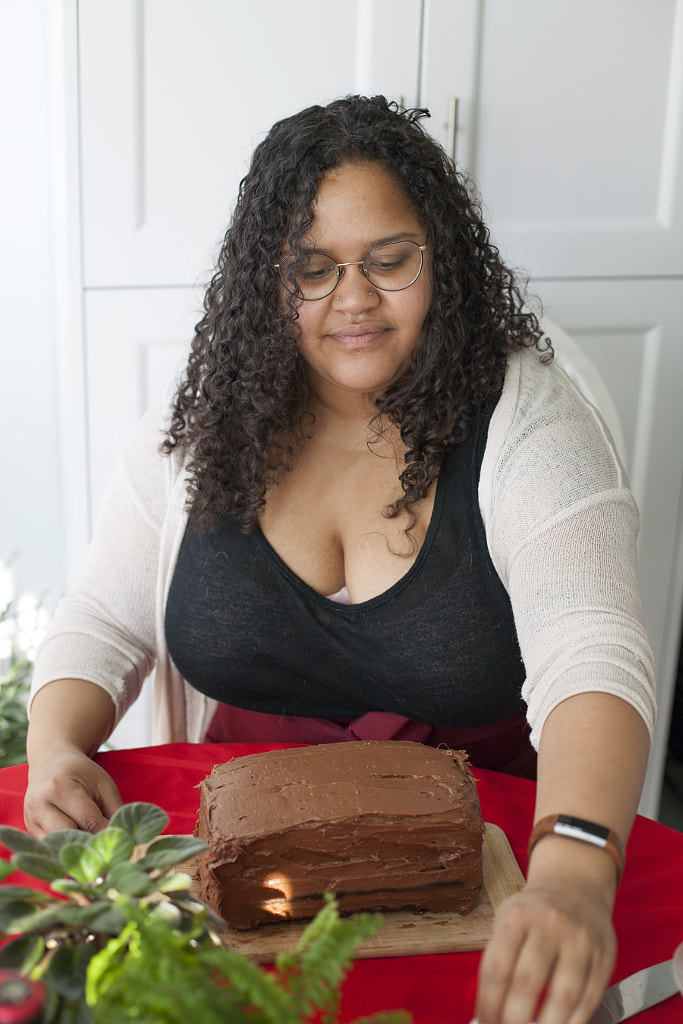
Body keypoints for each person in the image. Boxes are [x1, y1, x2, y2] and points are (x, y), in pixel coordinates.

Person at [25, 96, 655, 1024]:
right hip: (239, 882)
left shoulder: (530, 423)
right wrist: (52, 746)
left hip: (479, 878)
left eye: (388, 260)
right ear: (266, 280)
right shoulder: (209, 417)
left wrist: (571, 870)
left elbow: (590, 652)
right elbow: (105, 616)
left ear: (441, 256)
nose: (352, 298)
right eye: (310, 269)